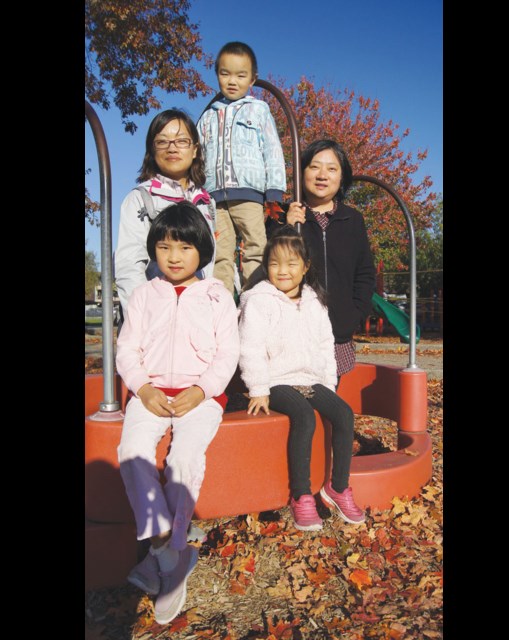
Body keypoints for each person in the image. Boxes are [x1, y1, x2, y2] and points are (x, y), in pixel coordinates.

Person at [116, 202, 240, 624]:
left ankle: (163, 553)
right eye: (164, 246)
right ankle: (170, 549)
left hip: (199, 398)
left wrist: (202, 390)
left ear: (201, 250)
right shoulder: (143, 294)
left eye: (184, 247)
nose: (173, 256)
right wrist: (142, 387)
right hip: (149, 395)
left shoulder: (217, 295)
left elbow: (228, 354)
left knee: (184, 458)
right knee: (132, 452)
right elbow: (127, 349)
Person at [238, 226, 366, 531]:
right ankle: (302, 495)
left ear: (305, 267)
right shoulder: (258, 301)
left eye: (291, 263)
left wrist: (327, 382)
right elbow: (250, 347)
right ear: (266, 266)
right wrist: (257, 388)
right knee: (304, 416)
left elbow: (325, 345)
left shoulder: (315, 302)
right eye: (275, 264)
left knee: (344, 414)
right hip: (275, 380)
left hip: (311, 378)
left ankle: (338, 486)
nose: (283, 271)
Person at [197, 41, 286, 297]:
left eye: (241, 75)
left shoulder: (258, 111)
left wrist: (274, 190)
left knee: (256, 246)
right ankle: (221, 303)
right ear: (217, 75)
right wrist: (196, 191)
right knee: (220, 252)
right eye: (225, 73)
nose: (232, 80)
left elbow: (272, 149)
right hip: (214, 196)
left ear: (252, 79)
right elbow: (198, 156)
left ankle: (254, 298)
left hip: (249, 194)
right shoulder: (208, 116)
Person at [283, 139, 375, 381]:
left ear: (342, 177)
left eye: (332, 169)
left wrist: (355, 315)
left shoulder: (352, 219)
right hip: (293, 333)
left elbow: (364, 272)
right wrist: (287, 228)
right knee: (295, 403)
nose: (322, 175)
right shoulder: (286, 216)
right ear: (302, 172)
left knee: (329, 405)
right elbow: (271, 266)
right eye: (314, 167)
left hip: (338, 333)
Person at [114, 109, 217, 319]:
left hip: (198, 315)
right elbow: (129, 266)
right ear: (152, 150)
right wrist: (145, 318)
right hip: (156, 317)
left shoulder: (208, 202)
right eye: (162, 141)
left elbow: (214, 261)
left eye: (181, 141)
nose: (172, 148)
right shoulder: (142, 198)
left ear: (195, 149)